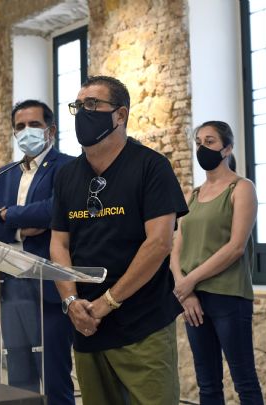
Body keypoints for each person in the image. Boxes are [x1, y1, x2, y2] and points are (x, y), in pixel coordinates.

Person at [50, 75, 188, 405]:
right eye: (78, 106)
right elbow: (59, 244)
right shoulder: (67, 175)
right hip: (87, 325)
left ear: (120, 115)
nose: (83, 112)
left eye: (92, 104)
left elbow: (159, 243)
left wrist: (107, 302)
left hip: (141, 324)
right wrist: (71, 302)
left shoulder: (151, 167)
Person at [0, 99, 75, 405]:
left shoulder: (67, 167)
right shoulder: (5, 173)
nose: (26, 131)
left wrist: (5, 215)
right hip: (11, 287)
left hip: (49, 287)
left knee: (54, 376)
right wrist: (20, 229)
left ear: (51, 130)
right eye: (20, 126)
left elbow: (52, 211)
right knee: (19, 379)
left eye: (34, 124)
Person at [169, 121, 263, 404]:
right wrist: (184, 290)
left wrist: (189, 281)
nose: (202, 148)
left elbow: (235, 247)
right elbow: (176, 248)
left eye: (209, 142)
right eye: (198, 142)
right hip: (192, 298)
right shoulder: (193, 195)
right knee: (207, 384)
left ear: (227, 148)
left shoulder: (242, 188)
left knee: (244, 382)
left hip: (228, 296)